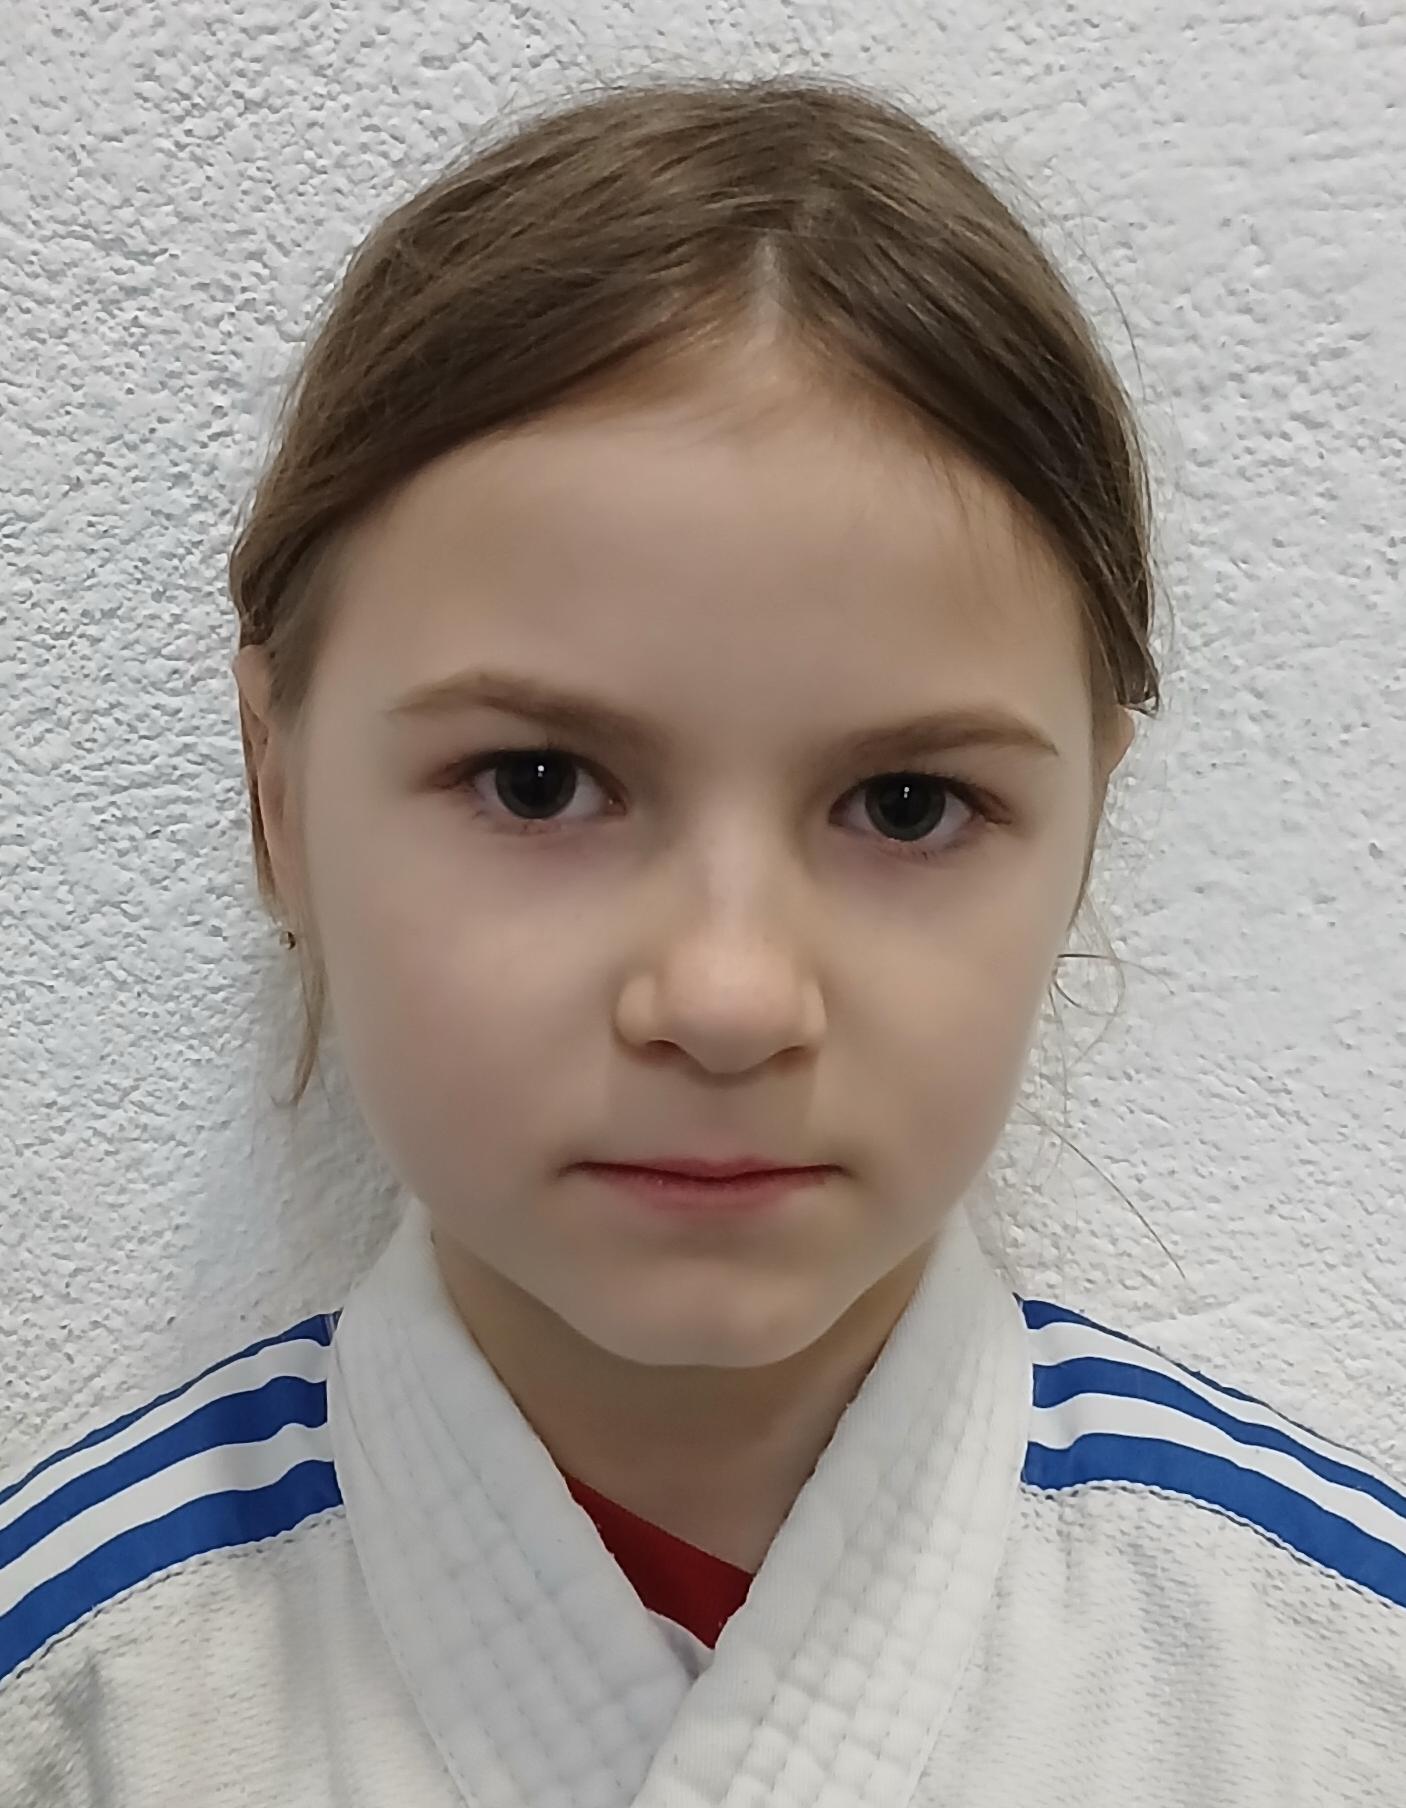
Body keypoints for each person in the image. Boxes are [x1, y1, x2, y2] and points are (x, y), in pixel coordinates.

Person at [2, 73, 1402, 1807]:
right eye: (535, 782)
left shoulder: (1334, 1695)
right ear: (274, 794)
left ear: (1086, 824)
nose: (729, 998)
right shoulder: (76, 1710)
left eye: (907, 805)